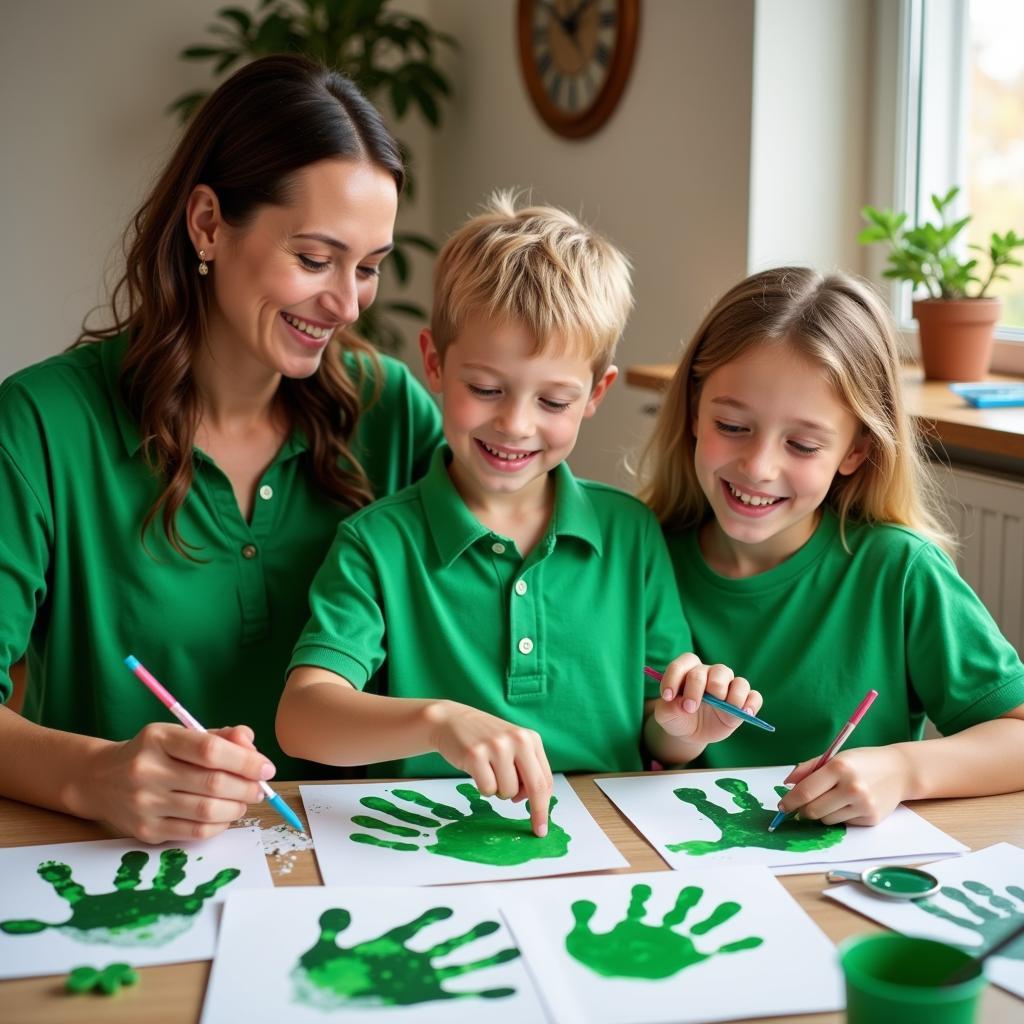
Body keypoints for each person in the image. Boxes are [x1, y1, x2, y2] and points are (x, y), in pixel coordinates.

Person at [0, 55, 444, 844]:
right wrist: (92, 777)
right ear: (207, 223)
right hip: (122, 871)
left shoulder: (394, 414)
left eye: (369, 268)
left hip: (361, 867)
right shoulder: (39, 424)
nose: (346, 303)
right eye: (314, 260)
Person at [276, 193, 761, 836]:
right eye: (485, 389)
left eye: (554, 401)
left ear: (597, 394)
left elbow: (660, 728)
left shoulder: (631, 535)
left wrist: (684, 730)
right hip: (423, 843)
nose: (516, 424)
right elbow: (302, 718)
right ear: (434, 364)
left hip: (606, 848)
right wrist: (437, 722)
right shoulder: (377, 543)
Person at [636, 266, 1024, 826]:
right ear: (695, 409)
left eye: (802, 443)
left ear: (855, 452)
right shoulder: (640, 555)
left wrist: (903, 770)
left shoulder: (900, 571)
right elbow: (643, 738)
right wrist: (674, 732)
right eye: (733, 425)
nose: (759, 466)